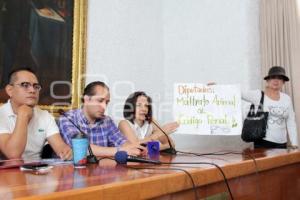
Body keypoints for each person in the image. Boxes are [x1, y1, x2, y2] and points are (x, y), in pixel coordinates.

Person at [0, 67, 72, 160]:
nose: (32, 90)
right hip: (7, 173)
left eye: (36, 86)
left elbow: (61, 147)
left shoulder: (45, 116)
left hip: (37, 171)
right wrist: (23, 115)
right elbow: (13, 154)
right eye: (25, 85)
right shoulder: (1, 115)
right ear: (10, 90)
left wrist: (66, 152)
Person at [58, 81, 145, 157]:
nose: (104, 106)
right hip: (72, 172)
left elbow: (122, 143)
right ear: (87, 99)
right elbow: (81, 148)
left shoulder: (107, 121)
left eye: (106, 102)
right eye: (100, 101)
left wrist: (134, 149)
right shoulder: (67, 118)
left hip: (101, 171)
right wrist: (120, 150)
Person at [242, 66, 298, 149]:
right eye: (273, 78)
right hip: (262, 142)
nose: (276, 80)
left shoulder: (287, 99)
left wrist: (294, 143)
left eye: (279, 78)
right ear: (268, 81)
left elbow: (291, 122)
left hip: (282, 143)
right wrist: (216, 88)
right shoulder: (258, 95)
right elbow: (237, 92)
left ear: (283, 82)